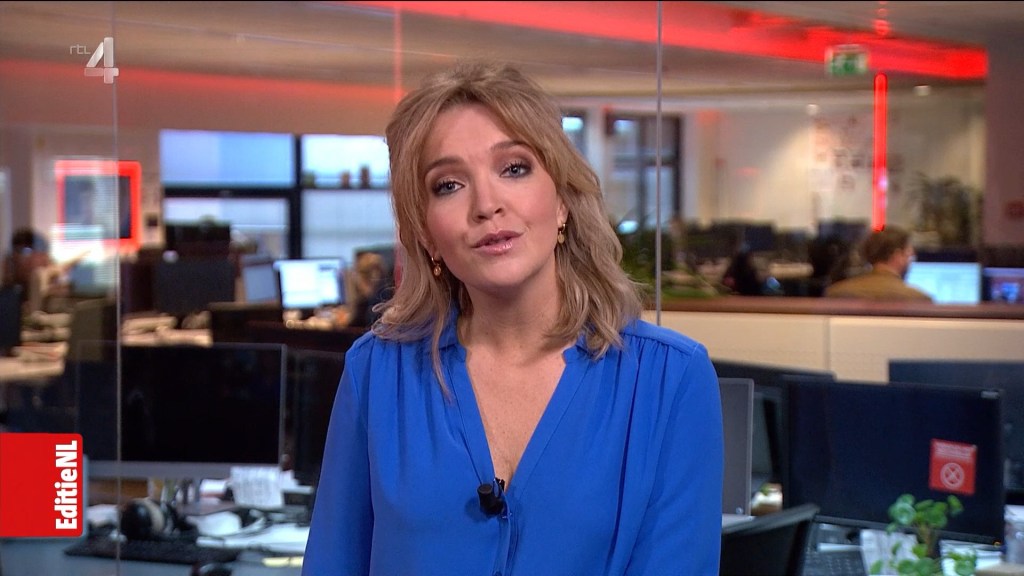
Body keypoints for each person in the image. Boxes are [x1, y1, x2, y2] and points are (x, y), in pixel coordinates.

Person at [302, 60, 724, 575]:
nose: (487, 205)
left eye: (514, 169)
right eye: (448, 185)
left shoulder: (670, 380)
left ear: (562, 201)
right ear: (426, 233)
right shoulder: (376, 371)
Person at [823, 225, 933, 301]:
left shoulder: (836, 293)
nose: (910, 262)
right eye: (910, 256)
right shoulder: (918, 299)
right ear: (897, 255)